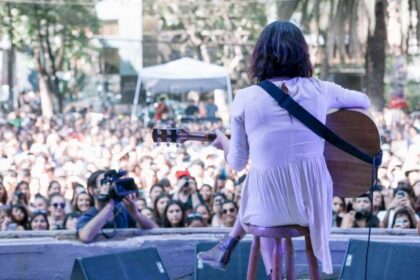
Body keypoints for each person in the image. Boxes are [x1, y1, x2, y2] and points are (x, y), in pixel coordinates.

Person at [198, 20, 371, 277]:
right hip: (313, 205)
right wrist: (332, 123)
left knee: (256, 180)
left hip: (266, 208)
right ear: (302, 52)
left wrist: (222, 142)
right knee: (263, 182)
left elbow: (236, 163)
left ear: (260, 54)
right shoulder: (321, 89)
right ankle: (247, 256)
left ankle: (265, 268)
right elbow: (364, 101)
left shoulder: (244, 98)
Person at [77, 170, 157, 243]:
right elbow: (85, 237)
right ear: (92, 190)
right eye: (105, 183)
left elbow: (155, 229)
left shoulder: (122, 209)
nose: (110, 186)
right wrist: (109, 206)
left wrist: (136, 214)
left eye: (112, 182)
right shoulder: (87, 216)